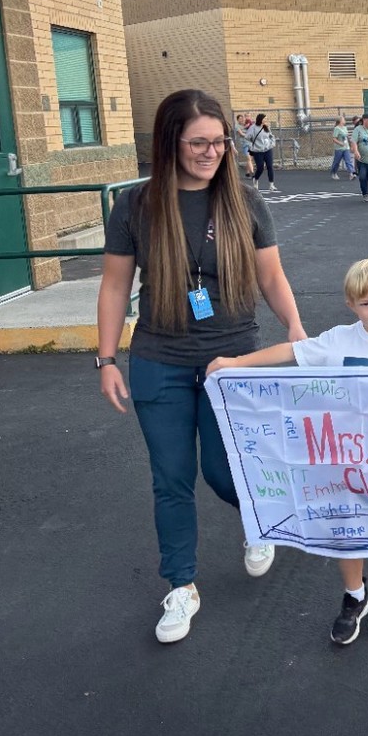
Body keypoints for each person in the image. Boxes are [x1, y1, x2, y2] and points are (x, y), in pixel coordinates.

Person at [97, 89, 306, 644]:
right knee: (171, 478)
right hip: (159, 358)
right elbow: (115, 285)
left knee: (222, 469)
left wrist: (294, 327)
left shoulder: (243, 202)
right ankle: (181, 585)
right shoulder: (136, 206)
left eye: (219, 141)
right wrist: (106, 358)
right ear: (170, 143)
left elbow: (270, 276)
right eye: (198, 142)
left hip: (232, 357)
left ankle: (260, 519)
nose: (211, 152)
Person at [208, 258, 368, 645]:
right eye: (365, 303)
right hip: (343, 457)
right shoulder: (339, 340)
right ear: (350, 305)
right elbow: (292, 351)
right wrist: (237, 363)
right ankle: (354, 594)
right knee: (347, 525)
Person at [246, 112, 278, 191]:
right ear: (260, 119)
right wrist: (251, 146)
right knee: (260, 167)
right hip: (258, 151)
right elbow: (247, 138)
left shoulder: (266, 127)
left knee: (270, 166)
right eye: (265, 118)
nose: (266, 120)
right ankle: (255, 179)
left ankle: (271, 184)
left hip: (267, 149)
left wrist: (272, 143)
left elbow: (271, 136)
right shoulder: (253, 128)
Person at [330, 114, 355, 181]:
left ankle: (351, 173)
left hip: (346, 148)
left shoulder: (345, 128)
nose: (345, 120)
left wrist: (351, 142)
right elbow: (334, 138)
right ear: (340, 121)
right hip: (339, 148)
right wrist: (340, 143)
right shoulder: (337, 128)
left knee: (348, 161)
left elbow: (346, 136)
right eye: (343, 119)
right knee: (336, 162)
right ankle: (334, 172)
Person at [234, 111, 255, 178]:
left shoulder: (246, 124)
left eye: (242, 118)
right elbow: (241, 134)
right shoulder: (237, 126)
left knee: (250, 159)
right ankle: (253, 173)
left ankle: (247, 173)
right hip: (245, 144)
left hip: (251, 143)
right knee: (248, 158)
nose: (241, 120)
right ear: (237, 120)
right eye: (240, 119)